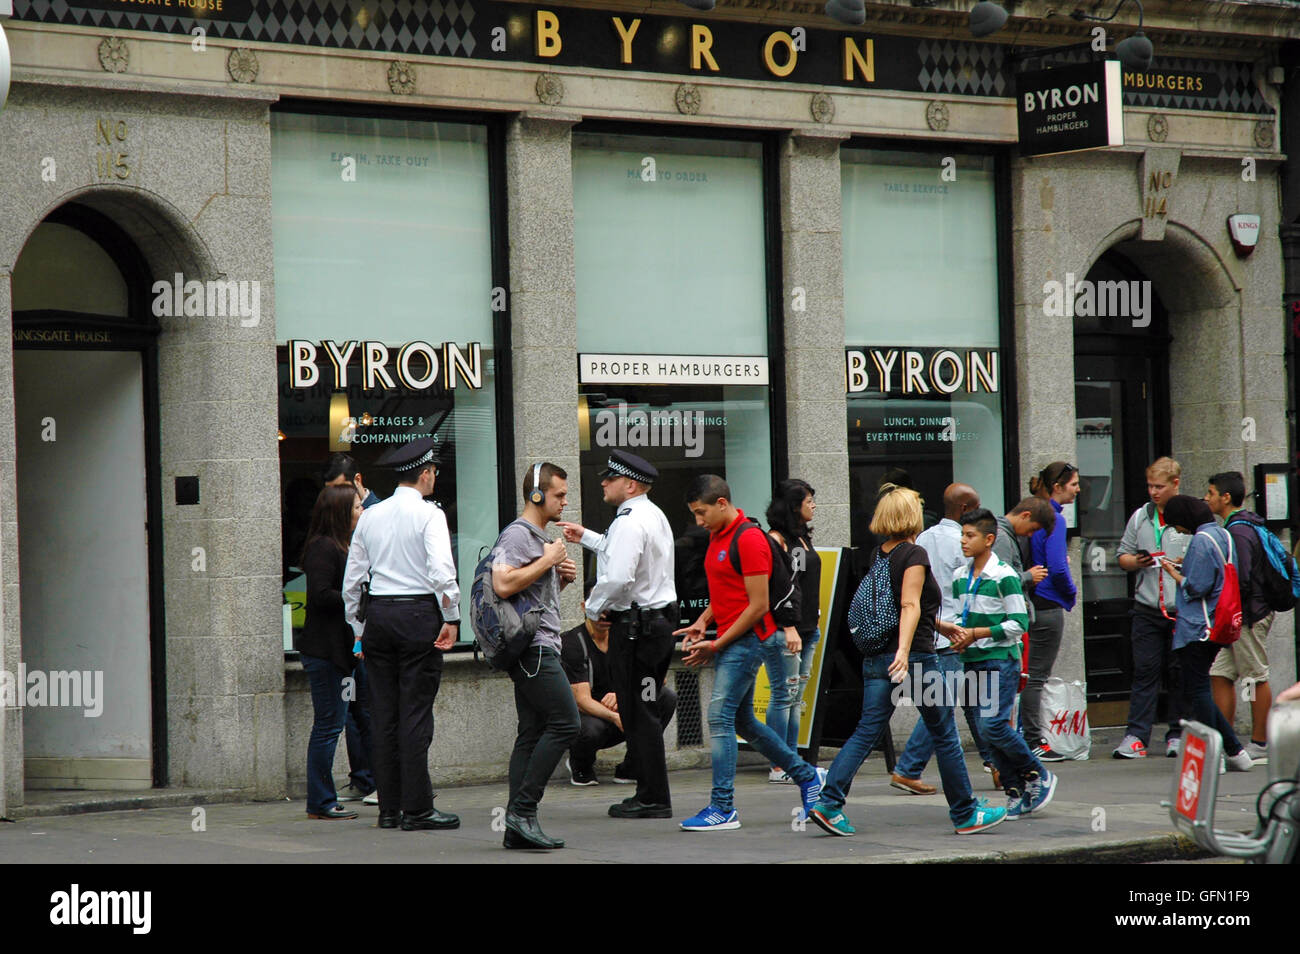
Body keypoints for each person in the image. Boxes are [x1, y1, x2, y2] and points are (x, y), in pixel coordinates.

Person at [807, 486, 1006, 837]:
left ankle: (828, 803)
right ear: (911, 516)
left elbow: (899, 605)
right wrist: (903, 653)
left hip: (876, 659)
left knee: (866, 731)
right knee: (944, 732)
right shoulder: (914, 554)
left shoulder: (879, 554)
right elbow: (908, 606)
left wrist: (942, 626)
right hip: (913, 660)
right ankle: (965, 813)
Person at [677, 474, 826, 831]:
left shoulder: (750, 540)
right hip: (732, 638)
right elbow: (727, 592)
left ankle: (723, 807)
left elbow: (758, 606)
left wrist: (717, 643)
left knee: (719, 717)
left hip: (747, 640)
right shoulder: (717, 536)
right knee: (743, 721)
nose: (698, 522)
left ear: (722, 504)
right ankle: (808, 778)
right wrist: (703, 621)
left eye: (702, 513)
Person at [342, 436, 461, 832]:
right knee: (414, 715)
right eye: (434, 473)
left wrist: (359, 629)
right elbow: (443, 573)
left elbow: (353, 581)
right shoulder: (430, 515)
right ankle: (418, 808)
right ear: (425, 473)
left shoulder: (372, 515)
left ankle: (388, 809)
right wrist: (451, 616)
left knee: (384, 715)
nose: (435, 478)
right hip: (417, 616)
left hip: (379, 616)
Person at [558, 450, 678, 819]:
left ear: (630, 485)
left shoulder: (628, 521)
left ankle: (652, 797)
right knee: (643, 708)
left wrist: (592, 607)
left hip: (637, 629)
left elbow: (619, 577)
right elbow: (630, 555)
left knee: (638, 712)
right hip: (655, 624)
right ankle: (650, 791)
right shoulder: (649, 514)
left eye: (611, 478)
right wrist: (590, 539)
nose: (603, 482)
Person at [492, 462, 581, 849]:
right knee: (566, 723)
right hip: (534, 650)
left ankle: (517, 829)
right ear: (536, 495)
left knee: (529, 734)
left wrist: (556, 580)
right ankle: (522, 811)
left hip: (539, 645)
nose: (565, 501)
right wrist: (547, 561)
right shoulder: (518, 534)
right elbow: (502, 582)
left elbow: (530, 599)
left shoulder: (536, 536)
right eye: (559, 494)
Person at [950, 508, 1058, 819]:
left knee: (993, 725)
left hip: (1000, 660)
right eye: (962, 534)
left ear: (989, 539)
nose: (963, 541)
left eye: (970, 536)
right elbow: (962, 615)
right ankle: (1014, 790)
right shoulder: (960, 577)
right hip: (971, 660)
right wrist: (955, 631)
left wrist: (977, 633)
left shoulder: (1004, 576)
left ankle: (1037, 773)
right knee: (986, 732)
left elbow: (1019, 623)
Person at [891, 482, 995, 795]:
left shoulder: (924, 538)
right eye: (975, 509)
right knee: (945, 705)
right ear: (964, 510)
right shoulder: (964, 543)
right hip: (955, 632)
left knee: (970, 700)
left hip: (931, 631)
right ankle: (908, 768)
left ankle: (996, 763)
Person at [1158, 495, 1254, 773]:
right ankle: (1235, 751)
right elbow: (1217, 572)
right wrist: (1185, 565)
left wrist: (1174, 574)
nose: (1178, 531)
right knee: (1201, 690)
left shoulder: (1200, 540)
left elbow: (1196, 586)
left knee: (1198, 691)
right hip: (1218, 624)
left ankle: (1216, 755)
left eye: (1177, 525)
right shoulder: (1221, 534)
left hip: (1197, 626)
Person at [561, 582, 678, 786]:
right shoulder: (572, 643)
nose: (605, 613)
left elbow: (656, 679)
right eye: (599, 606)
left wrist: (624, 694)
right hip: (590, 718)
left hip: (623, 708)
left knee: (664, 698)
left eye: (610, 606)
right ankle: (581, 765)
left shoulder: (626, 635)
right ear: (584, 607)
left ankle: (631, 767)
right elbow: (581, 700)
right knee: (590, 729)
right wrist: (615, 715)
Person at [1113, 456, 1190, 760]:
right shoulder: (1140, 517)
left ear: (1175, 484)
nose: (1154, 492)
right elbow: (1122, 557)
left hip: (1181, 609)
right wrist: (1136, 561)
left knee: (1179, 672)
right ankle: (1136, 736)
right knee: (1145, 670)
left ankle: (1177, 733)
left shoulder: (1189, 516)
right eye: (1150, 486)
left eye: (1159, 486)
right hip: (1147, 608)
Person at [298, 484, 366, 820]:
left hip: (338, 651)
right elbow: (320, 595)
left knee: (334, 723)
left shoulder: (343, 545)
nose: (361, 512)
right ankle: (321, 801)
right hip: (324, 652)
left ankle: (324, 799)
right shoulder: (323, 547)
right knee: (328, 726)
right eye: (355, 507)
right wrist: (356, 595)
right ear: (339, 511)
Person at [1205, 471, 1273, 762]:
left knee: (1255, 675)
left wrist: (1235, 611)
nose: (1206, 498)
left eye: (1210, 493)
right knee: (1219, 673)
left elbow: (1241, 577)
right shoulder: (1239, 526)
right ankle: (1225, 741)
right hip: (1240, 614)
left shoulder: (1239, 532)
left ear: (1226, 497)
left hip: (1247, 615)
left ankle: (1260, 741)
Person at [324, 453, 377, 805]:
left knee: (368, 709)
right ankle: (363, 777)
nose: (340, 501)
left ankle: (375, 778)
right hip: (348, 640)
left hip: (369, 634)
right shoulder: (334, 533)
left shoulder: (377, 514)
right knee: (354, 710)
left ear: (357, 482)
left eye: (343, 491)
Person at [761, 479, 821, 780]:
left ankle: (793, 759)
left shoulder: (803, 538)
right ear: (793, 505)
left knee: (796, 697)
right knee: (783, 695)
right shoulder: (775, 540)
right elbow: (779, 589)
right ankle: (778, 763)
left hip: (810, 628)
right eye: (808, 500)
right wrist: (789, 626)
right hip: (787, 631)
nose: (813, 505)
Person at [1023, 461, 1080, 760]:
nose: (1078, 489)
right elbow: (1057, 567)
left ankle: (1026, 738)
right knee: (1036, 677)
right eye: (1073, 484)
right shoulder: (1054, 519)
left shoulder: (1037, 514)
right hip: (1046, 604)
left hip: (1032, 602)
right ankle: (1033, 741)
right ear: (1057, 487)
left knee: (1028, 676)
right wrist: (1070, 593)